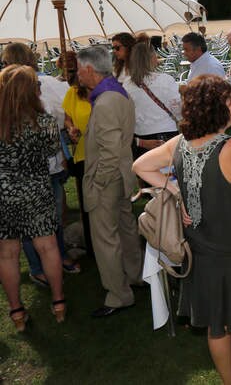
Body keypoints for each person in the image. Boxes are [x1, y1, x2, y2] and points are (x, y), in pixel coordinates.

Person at [133, 75, 231, 385]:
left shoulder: (179, 143)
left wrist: (178, 193)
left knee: (217, 325)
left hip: (202, 255)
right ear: (219, 107)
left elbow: (141, 166)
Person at [76, 45, 143, 318]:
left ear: (90, 70)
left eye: (79, 71)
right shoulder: (118, 91)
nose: (78, 76)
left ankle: (118, 294)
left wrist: (98, 182)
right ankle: (136, 275)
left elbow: (110, 150)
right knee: (126, 230)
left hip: (108, 180)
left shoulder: (104, 101)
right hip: (123, 176)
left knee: (106, 239)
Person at [0, 65, 66, 330]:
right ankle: (59, 302)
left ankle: (16, 311)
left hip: (3, 194)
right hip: (36, 190)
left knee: (7, 254)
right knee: (47, 248)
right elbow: (52, 150)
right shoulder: (45, 122)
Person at [123, 39, 181, 159]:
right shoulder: (165, 80)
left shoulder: (127, 84)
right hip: (166, 133)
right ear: (151, 58)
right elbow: (177, 108)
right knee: (169, 174)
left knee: (145, 172)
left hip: (141, 136)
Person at [61, 51, 94, 258]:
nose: (76, 74)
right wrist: (71, 128)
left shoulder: (105, 92)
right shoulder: (72, 93)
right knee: (87, 206)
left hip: (104, 156)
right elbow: (67, 118)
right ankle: (91, 246)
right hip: (82, 156)